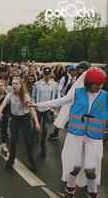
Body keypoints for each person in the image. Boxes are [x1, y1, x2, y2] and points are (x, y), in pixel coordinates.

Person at [29, 67, 107, 198]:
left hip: (94, 138)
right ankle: (70, 191)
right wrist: (38, 105)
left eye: (101, 84)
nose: (98, 87)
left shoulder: (105, 96)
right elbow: (60, 101)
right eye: (96, 84)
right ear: (88, 82)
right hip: (76, 135)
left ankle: (93, 193)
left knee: (90, 169)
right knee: (74, 166)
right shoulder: (77, 93)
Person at [0, 77, 40, 171]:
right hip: (15, 119)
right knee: (13, 140)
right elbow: (1, 106)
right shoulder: (9, 95)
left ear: (21, 86)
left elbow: (32, 110)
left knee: (28, 141)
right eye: (13, 83)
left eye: (16, 84)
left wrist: (37, 123)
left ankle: (31, 159)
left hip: (25, 119)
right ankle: (11, 159)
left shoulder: (25, 96)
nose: (14, 85)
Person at [32, 67, 58, 157]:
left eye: (48, 74)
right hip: (39, 108)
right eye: (45, 74)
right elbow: (33, 95)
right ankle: (36, 135)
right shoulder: (37, 84)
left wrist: (53, 106)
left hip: (48, 109)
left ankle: (43, 144)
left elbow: (57, 96)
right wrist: (34, 105)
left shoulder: (54, 84)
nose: (47, 76)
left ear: (51, 74)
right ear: (43, 74)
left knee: (45, 127)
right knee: (37, 124)